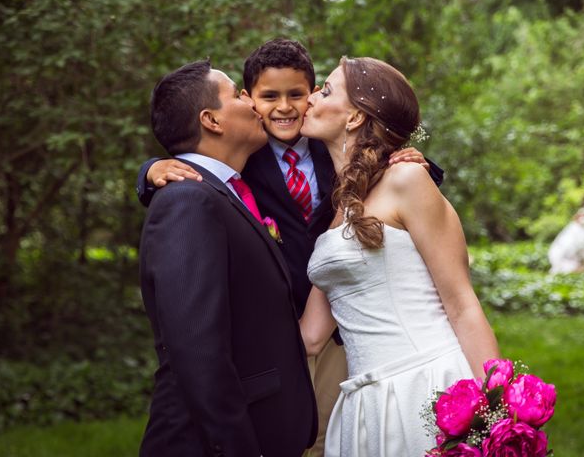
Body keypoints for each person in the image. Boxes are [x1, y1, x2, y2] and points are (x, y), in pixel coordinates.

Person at [136, 39, 445, 457]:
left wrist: (412, 163)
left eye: (299, 94)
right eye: (260, 97)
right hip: (278, 341)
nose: (282, 107)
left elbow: (379, 166)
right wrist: (151, 170)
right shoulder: (231, 172)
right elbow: (197, 342)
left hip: (337, 323)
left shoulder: (326, 144)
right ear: (234, 108)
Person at [298, 57, 499, 457]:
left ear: (354, 117)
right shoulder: (337, 208)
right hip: (363, 404)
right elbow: (311, 335)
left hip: (424, 385)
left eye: (325, 90)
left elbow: (461, 305)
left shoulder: (407, 179)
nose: (310, 98)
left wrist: (499, 411)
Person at [139, 60, 316, 457]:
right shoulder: (186, 201)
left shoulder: (226, 192)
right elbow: (198, 350)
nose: (252, 103)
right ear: (211, 121)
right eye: (237, 93)